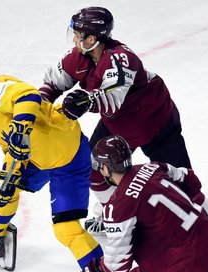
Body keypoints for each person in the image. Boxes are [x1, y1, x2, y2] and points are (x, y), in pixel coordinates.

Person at [0, 55, 104, 272]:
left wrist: (21, 128)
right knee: (3, 188)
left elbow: (28, 96)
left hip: (68, 157)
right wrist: (8, 176)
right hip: (40, 158)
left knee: (66, 229)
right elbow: (13, 150)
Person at [38, 7, 192, 206]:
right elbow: (53, 82)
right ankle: (114, 213)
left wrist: (86, 101)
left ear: (91, 39)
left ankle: (202, 223)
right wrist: (38, 105)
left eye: (77, 35)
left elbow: (112, 97)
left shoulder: (121, 59)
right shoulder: (77, 56)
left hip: (156, 123)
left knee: (180, 182)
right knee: (93, 167)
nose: (74, 40)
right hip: (119, 124)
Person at [75, 135, 208, 272]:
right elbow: (188, 177)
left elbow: (118, 263)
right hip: (206, 242)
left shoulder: (118, 206)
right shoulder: (153, 167)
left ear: (106, 167)